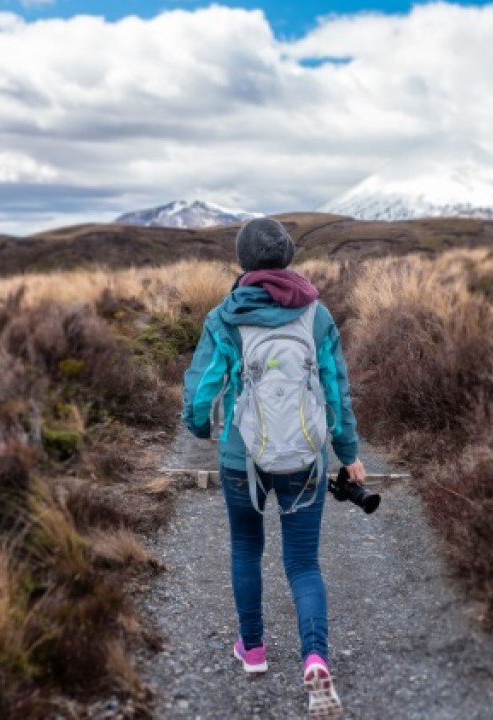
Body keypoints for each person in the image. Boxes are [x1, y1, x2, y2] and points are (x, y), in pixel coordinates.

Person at [182, 217, 364, 719]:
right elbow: (335, 392)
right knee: (304, 563)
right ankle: (314, 657)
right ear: (286, 257)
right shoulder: (318, 314)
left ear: (243, 262)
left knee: (246, 547)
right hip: (305, 458)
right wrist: (348, 453)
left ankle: (254, 650)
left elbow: (201, 393)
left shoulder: (224, 316)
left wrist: (201, 430)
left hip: (243, 458)